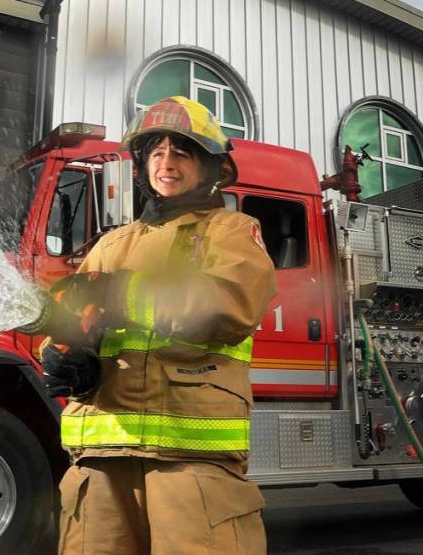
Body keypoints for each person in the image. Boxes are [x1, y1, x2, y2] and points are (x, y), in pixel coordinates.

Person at [37, 96, 277, 554]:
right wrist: (63, 352)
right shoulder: (112, 243)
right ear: (142, 163)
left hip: (188, 461)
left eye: (182, 151)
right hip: (102, 455)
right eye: (156, 152)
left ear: (210, 166)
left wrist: (120, 294)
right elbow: (77, 313)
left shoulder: (229, 231)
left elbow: (229, 304)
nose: (167, 162)